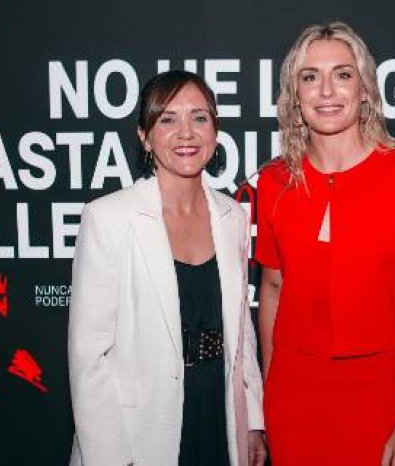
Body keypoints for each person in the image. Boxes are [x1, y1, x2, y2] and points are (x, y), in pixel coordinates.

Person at [256, 22, 395, 465]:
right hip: (293, 402)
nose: (326, 91)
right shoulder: (273, 182)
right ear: (295, 95)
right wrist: (268, 392)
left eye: (342, 74)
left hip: (382, 397)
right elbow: (272, 288)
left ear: (364, 89)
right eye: (310, 77)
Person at [68, 70, 266, 466]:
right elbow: (89, 357)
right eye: (168, 119)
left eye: (199, 117)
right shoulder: (108, 218)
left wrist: (253, 421)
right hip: (139, 431)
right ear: (144, 136)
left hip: (220, 416)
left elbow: (241, 331)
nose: (186, 133)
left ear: (215, 130)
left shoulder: (231, 216)